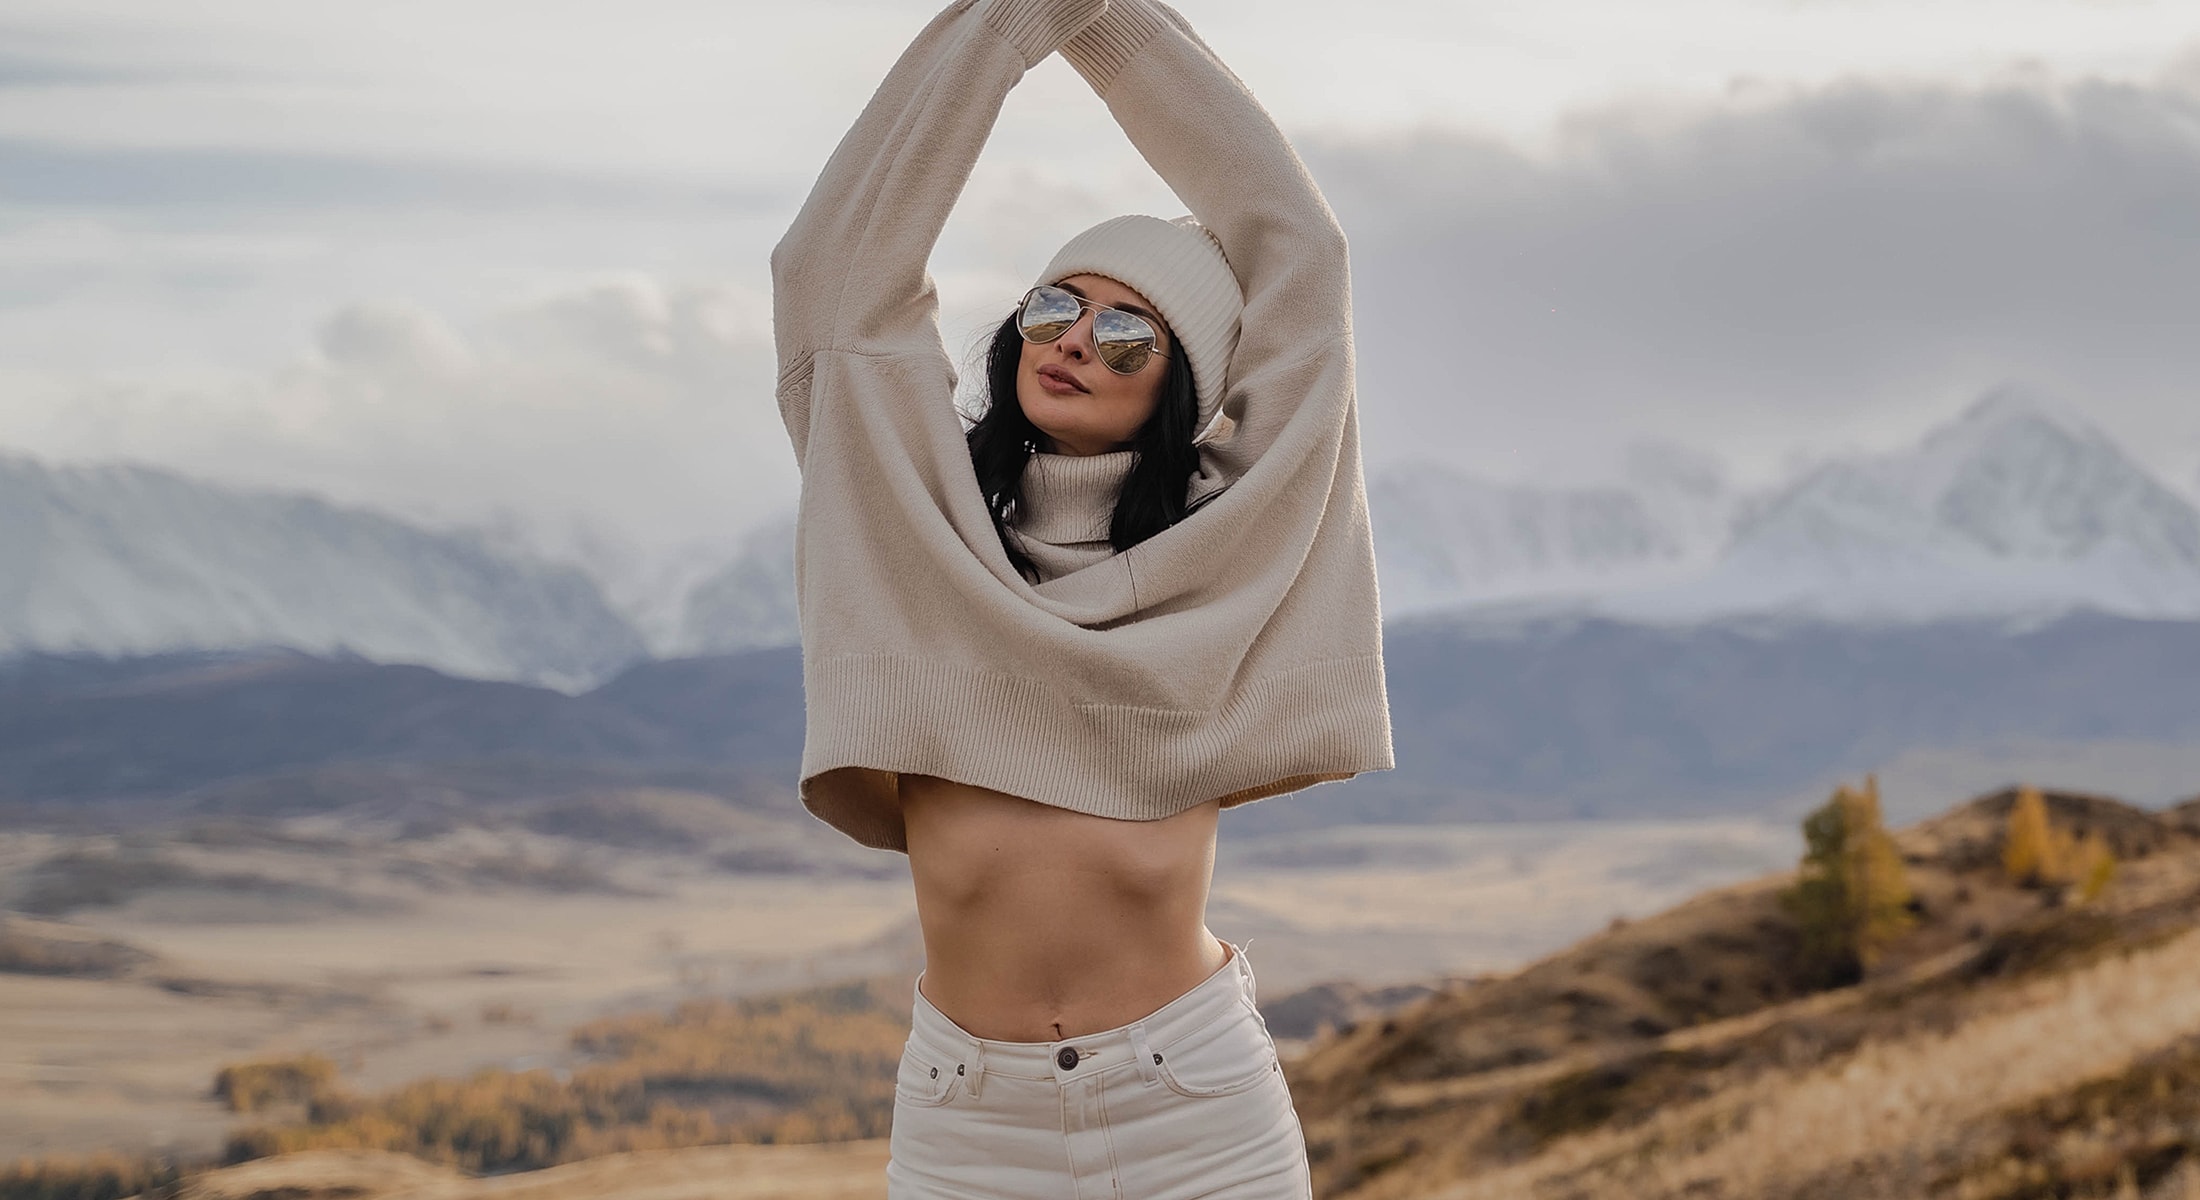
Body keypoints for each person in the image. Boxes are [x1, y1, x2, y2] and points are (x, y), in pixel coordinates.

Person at [769, 0, 1392, 1194]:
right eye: (1055, 307)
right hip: (969, 1125)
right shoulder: (909, 521)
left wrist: (1115, 31)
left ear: (1180, 390)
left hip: (1194, 1109)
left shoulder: (1236, 547)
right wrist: (1022, 16)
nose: (1074, 340)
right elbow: (833, 274)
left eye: (1126, 336)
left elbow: (1305, 260)